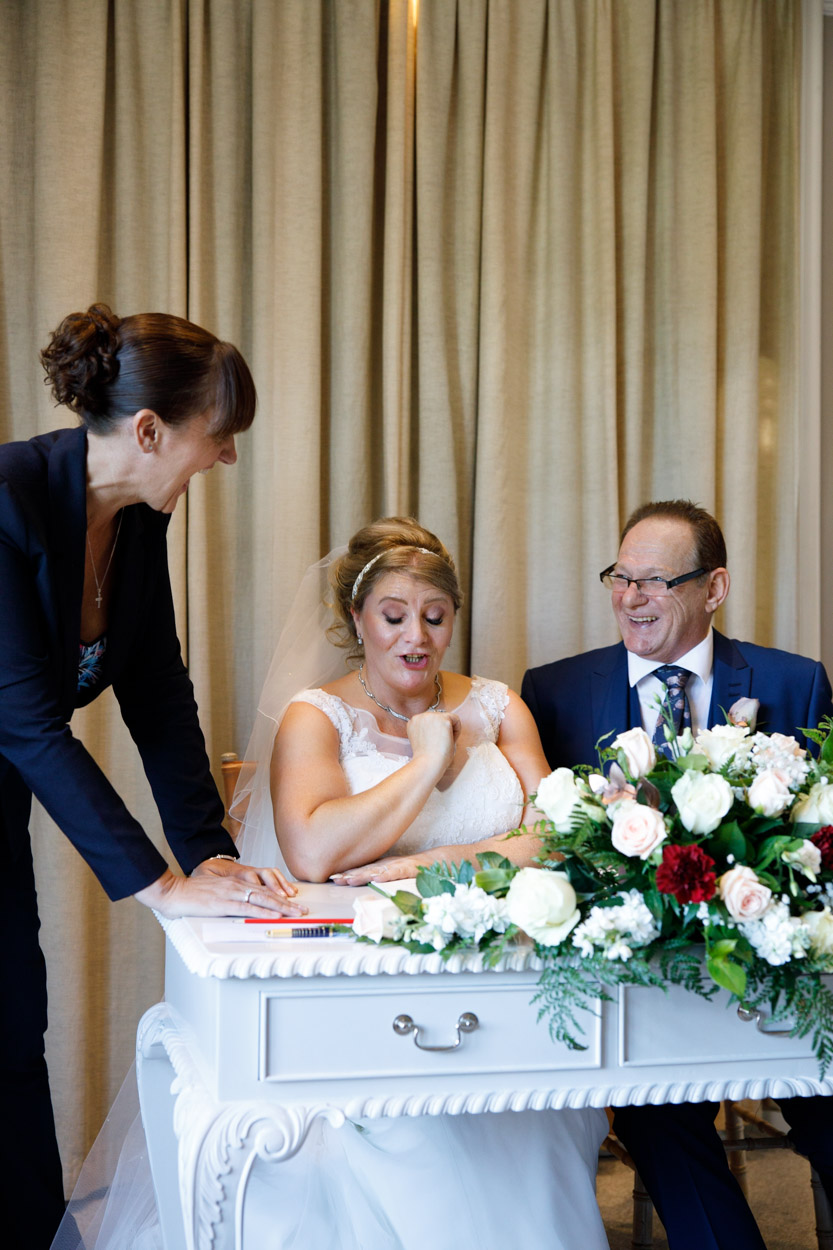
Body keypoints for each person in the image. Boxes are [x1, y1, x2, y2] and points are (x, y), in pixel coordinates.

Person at [0, 304, 302, 1250]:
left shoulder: (135, 522)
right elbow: (27, 721)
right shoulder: (5, 499)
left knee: (15, 1031)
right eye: (219, 440)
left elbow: (159, 696)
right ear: (148, 430)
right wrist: (160, 889)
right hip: (19, 754)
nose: (226, 461)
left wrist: (208, 857)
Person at [230, 517, 610, 1250]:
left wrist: (439, 862)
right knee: (427, 1132)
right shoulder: (317, 716)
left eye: (435, 619)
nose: (416, 637)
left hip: (499, 975)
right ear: (356, 619)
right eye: (394, 617)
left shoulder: (498, 707)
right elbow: (312, 852)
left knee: (536, 1112)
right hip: (364, 983)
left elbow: (562, 831)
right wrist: (424, 762)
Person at [521, 498, 833, 1250]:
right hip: (634, 990)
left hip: (774, 981)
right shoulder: (552, 693)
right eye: (619, 578)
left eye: (655, 581)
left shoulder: (793, 685)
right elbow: (539, 840)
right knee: (659, 1120)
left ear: (713, 588)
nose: (630, 598)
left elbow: (822, 844)